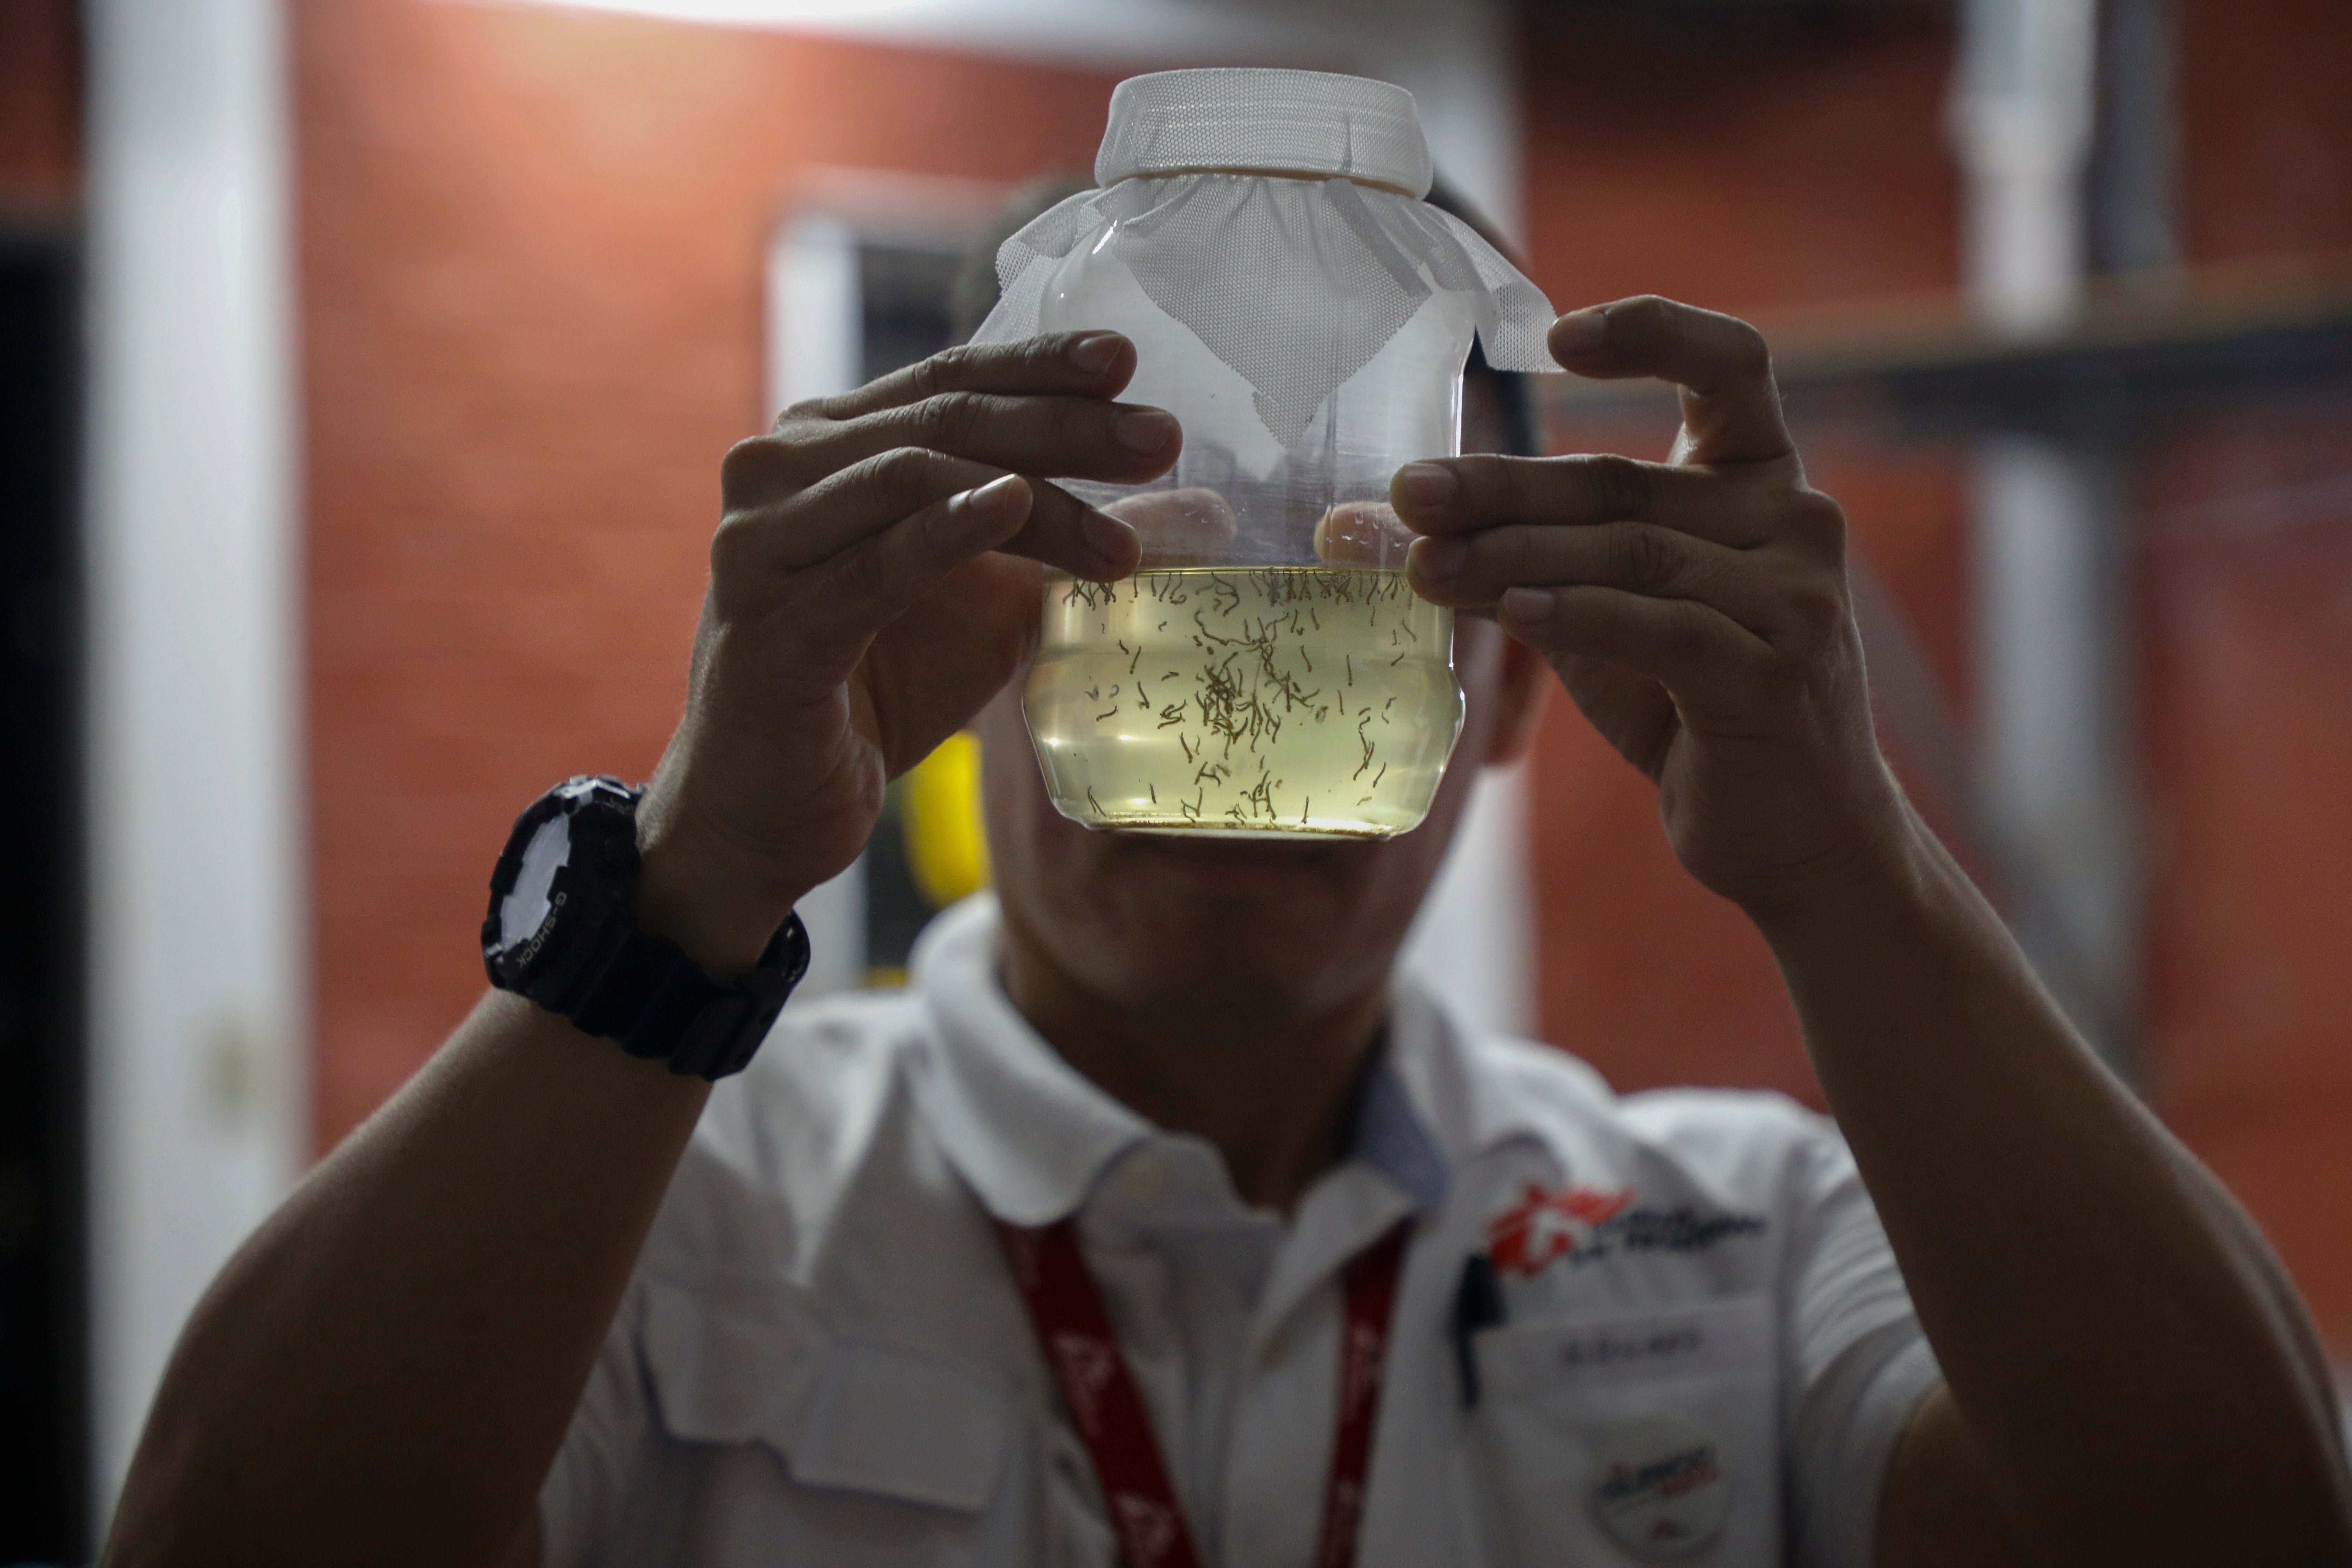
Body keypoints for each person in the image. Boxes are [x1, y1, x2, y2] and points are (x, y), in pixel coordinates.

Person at [103, 212, 2352, 1567]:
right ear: (989, 624)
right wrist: (683, 891)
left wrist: (1846, 861)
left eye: (1356, 570)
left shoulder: (1722, 1243)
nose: (1240, 680)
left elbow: (2245, 1535)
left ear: (1499, 672)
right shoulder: (674, 1208)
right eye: (1155, 565)